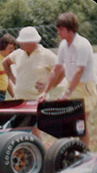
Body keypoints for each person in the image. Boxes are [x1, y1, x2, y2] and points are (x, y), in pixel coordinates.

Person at [38, 12, 97, 146]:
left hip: (85, 88)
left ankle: (85, 156)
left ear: (70, 29)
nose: (58, 32)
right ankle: (71, 151)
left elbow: (79, 71)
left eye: (61, 29)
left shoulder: (82, 44)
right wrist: (45, 91)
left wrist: (67, 94)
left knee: (80, 123)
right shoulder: (64, 45)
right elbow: (56, 69)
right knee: (69, 122)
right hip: (71, 85)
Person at [3, 26, 58, 139]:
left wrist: (49, 84)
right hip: (20, 101)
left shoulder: (47, 55)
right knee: (22, 130)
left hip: (36, 101)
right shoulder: (18, 54)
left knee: (34, 130)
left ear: (32, 42)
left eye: (22, 42)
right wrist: (13, 78)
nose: (19, 43)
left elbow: (61, 69)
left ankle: (40, 152)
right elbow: (5, 62)